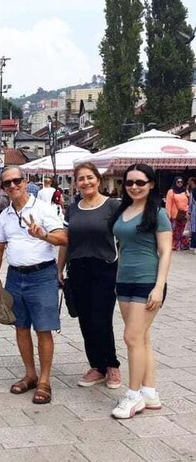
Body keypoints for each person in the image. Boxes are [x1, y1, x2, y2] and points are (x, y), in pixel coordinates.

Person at [0, 166, 66, 405]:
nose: (13, 186)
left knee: (43, 329)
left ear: (25, 182)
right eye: (7, 183)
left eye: (17, 181)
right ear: (2, 188)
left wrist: (43, 235)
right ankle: (30, 374)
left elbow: (63, 238)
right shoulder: (5, 215)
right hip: (15, 276)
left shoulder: (43, 208)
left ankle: (44, 380)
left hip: (42, 275)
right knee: (20, 327)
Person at [109, 163, 171, 419]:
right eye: (129, 182)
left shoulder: (157, 213)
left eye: (140, 182)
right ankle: (149, 392)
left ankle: (133, 396)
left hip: (148, 282)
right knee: (142, 338)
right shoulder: (123, 209)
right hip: (124, 280)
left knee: (131, 338)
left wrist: (159, 287)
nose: (134, 187)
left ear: (151, 184)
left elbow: (165, 252)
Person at [57, 163, 122, 390]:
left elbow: (123, 239)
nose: (86, 182)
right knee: (84, 318)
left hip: (105, 267)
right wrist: (59, 268)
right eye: (81, 179)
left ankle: (112, 364)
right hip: (78, 268)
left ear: (98, 179)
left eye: (89, 177)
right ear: (76, 183)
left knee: (101, 318)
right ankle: (97, 366)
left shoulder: (113, 206)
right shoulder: (72, 209)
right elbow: (66, 241)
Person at [165, 176, 189, 251]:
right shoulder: (171, 191)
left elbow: (188, 202)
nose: (180, 183)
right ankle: (174, 245)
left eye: (181, 182)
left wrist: (188, 212)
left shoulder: (185, 191)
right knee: (175, 231)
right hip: (174, 215)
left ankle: (182, 245)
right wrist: (168, 215)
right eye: (178, 182)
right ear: (175, 182)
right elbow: (168, 204)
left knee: (182, 231)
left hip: (184, 214)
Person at [189, 178, 196, 254]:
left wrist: (189, 212)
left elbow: (190, 203)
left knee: (194, 229)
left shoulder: (193, 191)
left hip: (194, 212)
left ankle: (194, 246)